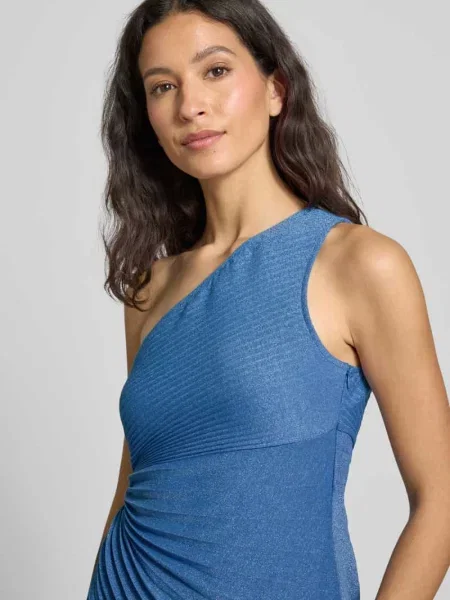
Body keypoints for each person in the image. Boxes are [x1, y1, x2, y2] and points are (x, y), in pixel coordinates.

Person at [87, 1, 450, 598]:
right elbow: (134, 486)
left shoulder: (359, 264)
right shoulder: (150, 291)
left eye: (216, 70)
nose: (190, 105)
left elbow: (441, 498)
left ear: (276, 89)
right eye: (162, 86)